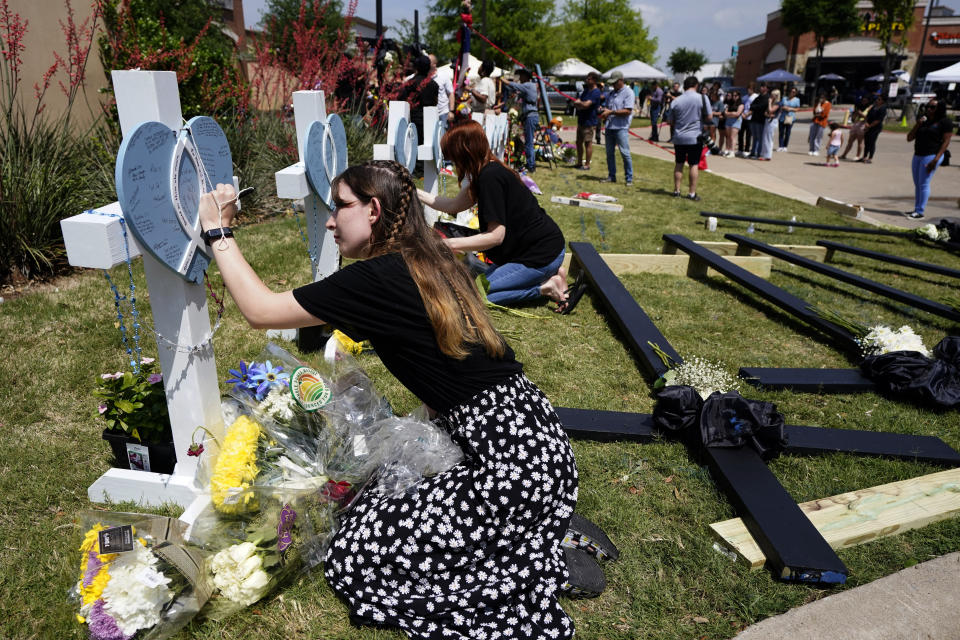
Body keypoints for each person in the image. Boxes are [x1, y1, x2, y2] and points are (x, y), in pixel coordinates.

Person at [197, 161, 579, 639]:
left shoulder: (376, 277)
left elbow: (260, 310)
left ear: (374, 210)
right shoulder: (432, 257)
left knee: (357, 551)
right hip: (539, 443)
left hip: (506, 466)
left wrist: (217, 229)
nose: (332, 220)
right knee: (373, 501)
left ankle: (520, 551)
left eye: (341, 206)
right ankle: (527, 534)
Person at [418, 121, 572, 310]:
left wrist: (448, 244)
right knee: (474, 289)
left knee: (474, 296)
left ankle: (545, 287)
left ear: (464, 153)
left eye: (453, 157)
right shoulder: (488, 170)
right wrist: (414, 191)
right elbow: (453, 206)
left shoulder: (490, 178)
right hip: (535, 251)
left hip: (539, 255)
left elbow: (495, 236)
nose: (453, 163)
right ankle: (549, 278)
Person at [906, 98, 954, 219]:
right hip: (918, 154)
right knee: (917, 184)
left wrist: (936, 159)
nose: (928, 109)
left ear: (939, 109)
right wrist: (918, 124)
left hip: (932, 155)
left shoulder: (945, 122)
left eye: (932, 107)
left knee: (923, 184)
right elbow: (909, 138)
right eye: (928, 106)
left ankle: (920, 211)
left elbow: (946, 142)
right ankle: (916, 209)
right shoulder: (924, 120)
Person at [669, 76, 710, 200]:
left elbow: (670, 121)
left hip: (679, 137)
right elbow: (709, 117)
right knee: (693, 164)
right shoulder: (702, 98)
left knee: (679, 164)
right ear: (696, 85)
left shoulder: (676, 101)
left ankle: (676, 190)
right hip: (695, 137)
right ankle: (691, 193)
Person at [598, 70, 635, 185]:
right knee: (609, 153)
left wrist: (610, 112)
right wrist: (603, 110)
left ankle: (629, 178)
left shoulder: (629, 92)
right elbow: (608, 107)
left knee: (625, 153)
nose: (613, 85)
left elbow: (628, 111)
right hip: (609, 127)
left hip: (621, 128)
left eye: (615, 82)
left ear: (621, 81)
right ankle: (611, 175)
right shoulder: (611, 93)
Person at [503, 67, 540, 174]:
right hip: (529, 116)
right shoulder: (528, 87)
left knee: (529, 141)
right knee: (528, 141)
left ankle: (531, 165)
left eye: (522, 75)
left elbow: (515, 86)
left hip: (530, 116)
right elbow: (516, 92)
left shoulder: (528, 85)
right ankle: (530, 163)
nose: (520, 77)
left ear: (526, 77)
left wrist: (503, 80)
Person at [397, 55, 439, 145]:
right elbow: (435, 102)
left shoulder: (410, 84)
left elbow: (402, 100)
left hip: (413, 120)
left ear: (416, 67)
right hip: (430, 121)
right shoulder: (434, 85)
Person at [572, 71, 602, 169]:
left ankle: (587, 165)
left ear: (594, 80)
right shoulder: (586, 91)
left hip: (589, 122)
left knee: (587, 143)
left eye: (588, 79)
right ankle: (579, 162)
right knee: (578, 142)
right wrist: (580, 104)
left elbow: (586, 105)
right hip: (581, 120)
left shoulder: (596, 92)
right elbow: (578, 102)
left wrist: (580, 104)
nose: (586, 80)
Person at [840, 94, 871, 161]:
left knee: (860, 141)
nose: (864, 101)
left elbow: (868, 118)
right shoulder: (858, 107)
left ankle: (857, 156)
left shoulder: (869, 108)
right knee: (850, 141)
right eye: (863, 100)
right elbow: (853, 118)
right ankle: (844, 154)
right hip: (856, 124)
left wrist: (861, 114)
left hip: (862, 124)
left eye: (865, 100)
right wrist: (855, 114)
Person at [860, 94, 886, 164]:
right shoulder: (874, 107)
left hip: (875, 128)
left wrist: (870, 126)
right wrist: (866, 123)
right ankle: (864, 157)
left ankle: (870, 158)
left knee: (872, 142)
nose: (877, 100)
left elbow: (878, 120)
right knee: (866, 142)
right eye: (877, 99)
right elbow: (867, 116)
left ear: (883, 101)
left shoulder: (883, 108)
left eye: (879, 99)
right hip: (868, 126)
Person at [429, 54, 454, 124]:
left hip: (443, 113)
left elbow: (451, 93)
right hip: (429, 113)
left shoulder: (443, 76)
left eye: (429, 61)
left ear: (434, 64)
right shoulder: (424, 77)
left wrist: (451, 111)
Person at [748, 83, 769, 158]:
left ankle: (758, 153)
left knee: (760, 138)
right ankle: (753, 152)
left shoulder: (767, 98)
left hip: (760, 120)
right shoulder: (759, 97)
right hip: (754, 119)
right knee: (754, 137)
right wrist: (755, 107)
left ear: (766, 88)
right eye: (761, 86)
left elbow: (762, 107)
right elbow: (751, 106)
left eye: (763, 86)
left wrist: (755, 107)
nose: (761, 88)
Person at [722, 89, 744, 158]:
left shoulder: (741, 104)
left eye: (736, 95)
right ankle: (727, 150)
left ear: (739, 96)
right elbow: (725, 113)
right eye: (733, 95)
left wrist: (730, 113)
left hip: (736, 121)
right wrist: (732, 114)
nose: (734, 97)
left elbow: (737, 114)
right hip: (728, 121)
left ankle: (732, 152)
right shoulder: (729, 103)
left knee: (732, 137)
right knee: (728, 136)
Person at [777, 87, 800, 151]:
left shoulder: (797, 100)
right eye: (791, 91)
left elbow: (798, 108)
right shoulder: (784, 98)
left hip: (790, 118)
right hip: (782, 117)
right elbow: (780, 106)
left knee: (787, 133)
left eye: (794, 92)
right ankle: (780, 146)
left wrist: (790, 109)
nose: (792, 93)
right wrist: (783, 108)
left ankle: (785, 146)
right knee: (781, 132)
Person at [760, 89, 780, 160]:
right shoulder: (772, 103)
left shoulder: (778, 103)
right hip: (767, 120)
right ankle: (763, 154)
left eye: (772, 95)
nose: (771, 96)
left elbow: (771, 110)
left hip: (772, 122)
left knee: (769, 138)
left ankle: (768, 155)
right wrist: (768, 114)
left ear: (776, 96)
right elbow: (766, 112)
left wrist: (769, 103)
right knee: (765, 137)